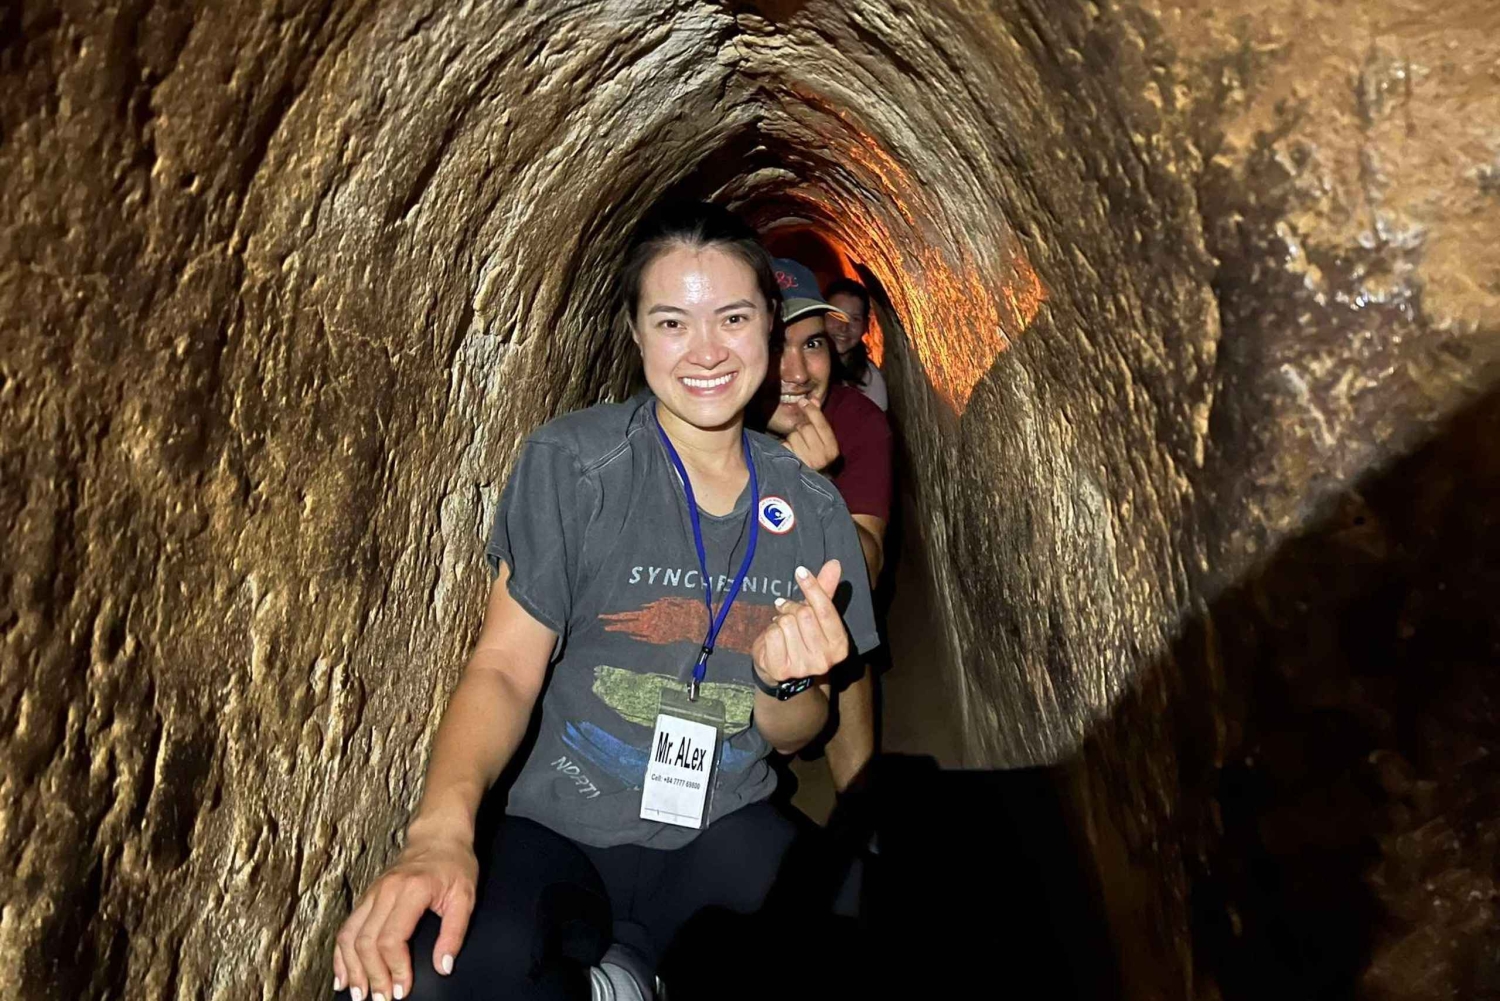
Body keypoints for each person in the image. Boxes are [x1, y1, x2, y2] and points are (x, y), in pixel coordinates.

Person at [331, 203, 879, 1001]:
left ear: (769, 321)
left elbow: (800, 731)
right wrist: (439, 833)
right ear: (634, 333)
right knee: (414, 978)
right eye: (672, 322)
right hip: (559, 822)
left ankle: (631, 974)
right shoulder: (573, 463)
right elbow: (504, 667)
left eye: (732, 317)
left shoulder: (813, 505)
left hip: (721, 823)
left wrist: (784, 680)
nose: (706, 351)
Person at [761, 259, 893, 795]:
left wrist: (812, 485)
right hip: (726, 606)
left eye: (812, 344)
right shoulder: (715, 422)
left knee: (846, 630)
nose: (797, 372)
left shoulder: (859, 423)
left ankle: (859, 811)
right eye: (777, 345)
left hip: (812, 605)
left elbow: (867, 570)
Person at [824, 278, 888, 412]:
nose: (844, 327)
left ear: (865, 325)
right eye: (836, 315)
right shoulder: (803, 365)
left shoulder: (870, 380)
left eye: (855, 319)